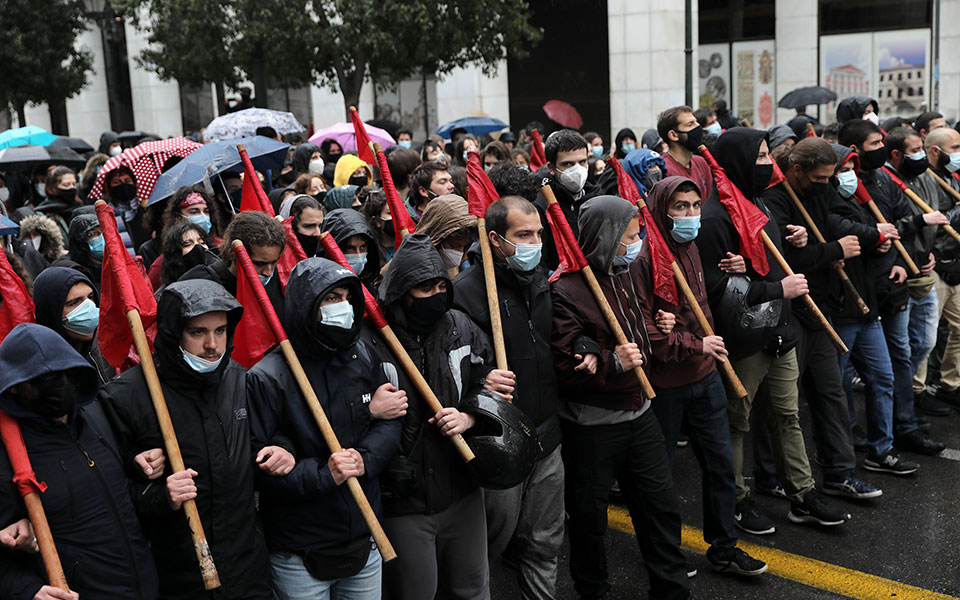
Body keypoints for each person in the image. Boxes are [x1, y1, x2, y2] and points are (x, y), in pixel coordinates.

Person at [698, 127, 849, 533]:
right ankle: (737, 499)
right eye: (761, 157)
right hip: (744, 340)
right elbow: (713, 292)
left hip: (781, 334)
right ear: (737, 161)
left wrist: (793, 239)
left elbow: (769, 255)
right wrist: (774, 288)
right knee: (737, 422)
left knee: (787, 416)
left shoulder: (760, 202)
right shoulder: (714, 217)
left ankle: (802, 494)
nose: (769, 164)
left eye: (768, 155)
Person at [100, 279, 291, 600]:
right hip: (177, 573)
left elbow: (271, 436)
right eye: (198, 332)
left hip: (246, 568)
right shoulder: (128, 396)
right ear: (175, 333)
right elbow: (109, 488)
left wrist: (283, 450)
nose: (212, 345)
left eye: (220, 331)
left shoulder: (240, 380)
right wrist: (161, 495)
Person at [551, 193, 689, 599]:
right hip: (592, 425)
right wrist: (611, 361)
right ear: (606, 237)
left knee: (660, 510)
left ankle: (672, 591)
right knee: (589, 520)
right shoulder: (566, 290)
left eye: (639, 234)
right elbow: (565, 364)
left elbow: (639, 321)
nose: (638, 243)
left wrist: (659, 323)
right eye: (630, 236)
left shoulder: (628, 271)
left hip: (640, 411)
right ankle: (593, 591)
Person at [635, 176, 768, 577]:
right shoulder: (644, 259)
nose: (691, 215)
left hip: (706, 375)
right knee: (660, 476)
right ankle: (664, 553)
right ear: (661, 210)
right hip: (666, 384)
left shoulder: (692, 246)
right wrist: (695, 345)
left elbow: (701, 308)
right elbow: (648, 332)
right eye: (681, 207)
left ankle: (724, 547)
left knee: (721, 464)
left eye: (695, 206)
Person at [248, 257, 403, 599]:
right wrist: (323, 475)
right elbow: (260, 466)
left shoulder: (362, 354)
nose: (342, 306)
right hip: (300, 550)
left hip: (365, 535)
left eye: (347, 296)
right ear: (307, 306)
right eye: (331, 299)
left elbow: (391, 422)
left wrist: (365, 459)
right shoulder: (268, 376)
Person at [376, 234, 510, 600]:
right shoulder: (372, 340)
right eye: (423, 288)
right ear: (402, 291)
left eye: (440, 285)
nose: (435, 295)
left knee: (472, 589)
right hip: (404, 499)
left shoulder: (460, 326)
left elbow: (487, 383)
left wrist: (471, 414)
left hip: (462, 487)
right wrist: (370, 408)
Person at [763, 138, 891, 497]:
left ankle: (839, 473)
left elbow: (840, 222)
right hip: (792, 313)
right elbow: (782, 264)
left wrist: (858, 241)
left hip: (823, 309)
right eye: (820, 178)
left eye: (830, 177)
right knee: (783, 402)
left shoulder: (822, 191)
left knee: (831, 392)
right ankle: (770, 473)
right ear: (797, 170)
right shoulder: (775, 200)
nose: (827, 184)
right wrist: (832, 250)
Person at [452, 196, 565, 598]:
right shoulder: (463, 292)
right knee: (490, 543)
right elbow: (449, 368)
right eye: (524, 235)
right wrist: (482, 378)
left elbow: (560, 339)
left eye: (538, 234)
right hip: (498, 441)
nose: (535, 243)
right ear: (496, 239)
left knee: (545, 541)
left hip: (547, 434)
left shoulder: (542, 280)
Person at [0, 324, 159, 600]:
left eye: (65, 371)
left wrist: (141, 467)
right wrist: (27, 591)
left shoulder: (97, 416)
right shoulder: (9, 453)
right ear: (15, 388)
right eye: (44, 379)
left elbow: (121, 492)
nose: (60, 384)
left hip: (144, 585)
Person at [839, 119, 943, 462]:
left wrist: (905, 259)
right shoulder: (838, 188)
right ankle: (848, 434)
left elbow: (901, 224)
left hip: (892, 285)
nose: (880, 150)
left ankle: (903, 425)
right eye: (873, 145)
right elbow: (849, 233)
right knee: (843, 374)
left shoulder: (884, 179)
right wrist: (876, 237)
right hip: (854, 294)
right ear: (852, 151)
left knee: (899, 359)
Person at [883, 128, 953, 418]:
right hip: (899, 274)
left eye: (921, 148)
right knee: (900, 347)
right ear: (896, 154)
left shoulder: (925, 177)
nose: (921, 155)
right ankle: (906, 400)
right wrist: (918, 224)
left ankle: (906, 398)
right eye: (914, 150)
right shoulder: (886, 180)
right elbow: (892, 227)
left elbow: (934, 223)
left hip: (926, 268)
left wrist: (932, 253)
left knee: (926, 340)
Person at [919, 127, 960, 409]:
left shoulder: (953, 177)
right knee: (926, 335)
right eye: (955, 148)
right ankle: (917, 389)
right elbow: (932, 222)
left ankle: (952, 383)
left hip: (956, 265)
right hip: (933, 266)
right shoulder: (923, 180)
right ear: (936, 150)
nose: (958, 154)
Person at [33, 266, 114, 384]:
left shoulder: (108, 349)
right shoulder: (43, 376)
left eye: (90, 297)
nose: (89, 307)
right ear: (51, 313)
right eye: (74, 302)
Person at [532, 129, 596, 270]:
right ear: (552, 168)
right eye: (568, 164)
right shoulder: (540, 206)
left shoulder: (596, 199)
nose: (577, 170)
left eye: (582, 162)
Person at [212, 210, 286, 315]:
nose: (269, 272)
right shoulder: (208, 286)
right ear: (233, 254)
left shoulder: (281, 284)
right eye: (260, 264)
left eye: (274, 262)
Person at [657, 106, 715, 200]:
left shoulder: (702, 163)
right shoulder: (664, 170)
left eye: (696, 122)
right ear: (673, 135)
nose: (698, 127)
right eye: (690, 124)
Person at [413, 194, 477, 276]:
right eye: (454, 245)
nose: (460, 253)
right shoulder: (410, 268)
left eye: (465, 247)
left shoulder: (457, 268)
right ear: (436, 237)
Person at [321, 208, 383, 292]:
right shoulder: (321, 286)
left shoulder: (376, 283)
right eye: (350, 248)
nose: (358, 255)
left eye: (363, 247)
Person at [52, 213, 103, 292]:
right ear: (80, 242)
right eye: (93, 234)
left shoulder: (118, 264)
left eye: (104, 231)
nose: (102, 238)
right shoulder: (73, 271)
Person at [35, 167, 77, 248]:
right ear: (52, 188)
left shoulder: (79, 209)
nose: (72, 188)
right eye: (66, 185)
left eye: (74, 184)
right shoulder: (43, 214)